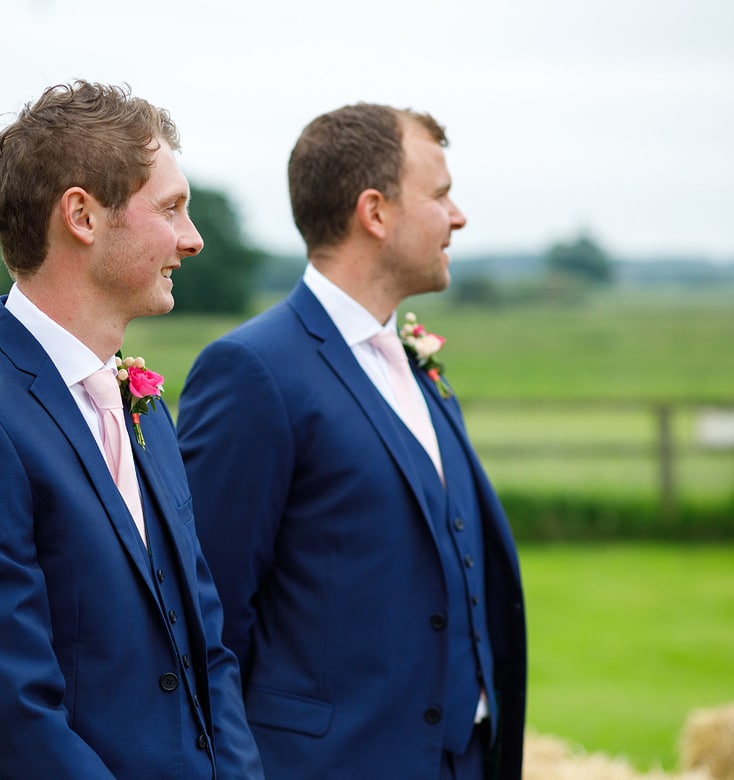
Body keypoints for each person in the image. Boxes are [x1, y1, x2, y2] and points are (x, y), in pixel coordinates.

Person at [0, 81, 263, 780]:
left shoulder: (143, 404)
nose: (193, 238)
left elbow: (208, 650)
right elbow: (13, 719)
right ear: (83, 216)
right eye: (171, 208)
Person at [177, 102, 528, 780]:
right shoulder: (254, 372)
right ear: (375, 212)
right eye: (441, 195)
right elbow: (210, 614)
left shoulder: (415, 361)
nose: (458, 217)